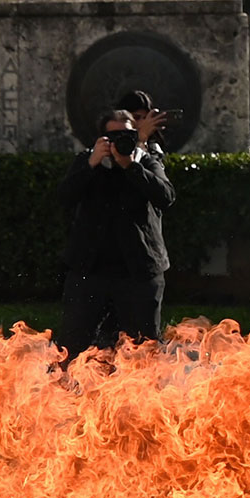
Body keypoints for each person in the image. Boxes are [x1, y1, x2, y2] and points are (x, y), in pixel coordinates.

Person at [55, 109, 176, 360]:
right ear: (101, 138)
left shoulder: (146, 162)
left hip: (138, 274)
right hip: (90, 271)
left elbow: (166, 196)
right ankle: (68, 396)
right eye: (113, 136)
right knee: (74, 347)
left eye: (127, 134)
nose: (120, 140)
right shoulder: (88, 161)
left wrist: (130, 166)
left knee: (142, 350)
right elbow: (64, 197)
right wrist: (91, 163)